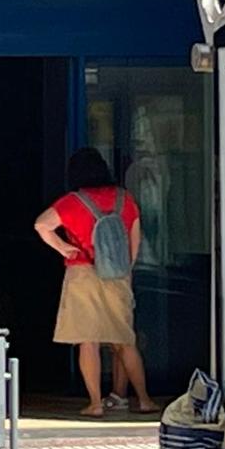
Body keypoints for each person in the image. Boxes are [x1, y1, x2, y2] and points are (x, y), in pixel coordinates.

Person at [34, 148, 154, 417]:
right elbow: (135, 241)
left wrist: (63, 248)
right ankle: (145, 400)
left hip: (83, 274)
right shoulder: (126, 199)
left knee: (88, 341)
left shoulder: (72, 201)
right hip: (118, 275)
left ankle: (96, 403)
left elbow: (41, 224)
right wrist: (125, 270)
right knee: (124, 340)